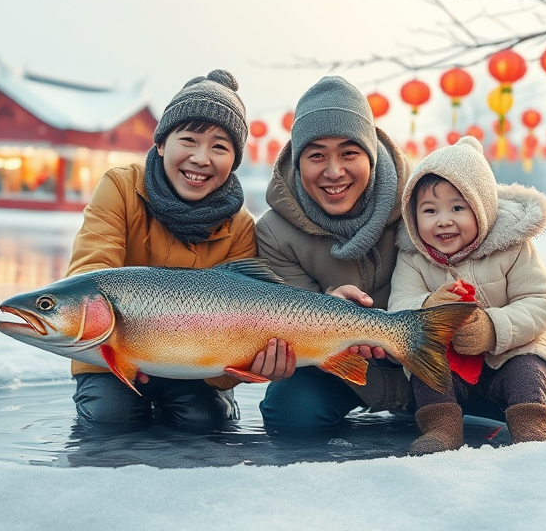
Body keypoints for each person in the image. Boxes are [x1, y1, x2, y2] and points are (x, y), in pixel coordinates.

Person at [65, 69, 292, 429]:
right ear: (160, 144)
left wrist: (249, 364)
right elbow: (91, 272)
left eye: (219, 147)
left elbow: (247, 317)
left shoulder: (240, 226)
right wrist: (124, 350)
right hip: (107, 354)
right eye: (188, 140)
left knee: (205, 423)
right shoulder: (120, 187)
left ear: (234, 161)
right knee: (110, 418)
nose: (201, 158)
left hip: (196, 368)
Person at [388, 136, 546, 453]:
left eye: (458, 208)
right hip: (452, 360)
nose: (444, 220)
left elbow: (540, 301)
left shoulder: (512, 248)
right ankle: (442, 429)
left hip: (512, 351)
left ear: (482, 208)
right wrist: (428, 306)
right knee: (427, 370)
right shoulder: (412, 257)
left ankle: (530, 429)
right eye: (430, 210)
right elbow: (399, 306)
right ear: (413, 215)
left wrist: (492, 327)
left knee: (527, 370)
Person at [255, 75, 415, 429]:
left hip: (423, 359)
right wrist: (326, 309)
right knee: (290, 413)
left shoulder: (420, 206)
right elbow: (288, 320)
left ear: (371, 155)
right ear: (298, 162)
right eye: (316, 156)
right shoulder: (274, 232)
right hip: (336, 370)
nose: (334, 172)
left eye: (349, 153)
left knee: (540, 409)